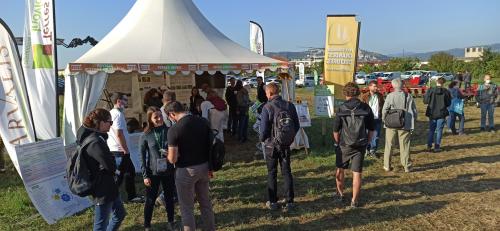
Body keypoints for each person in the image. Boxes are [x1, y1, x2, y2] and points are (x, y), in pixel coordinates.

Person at [166, 101, 215, 231]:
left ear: (172, 114)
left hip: (186, 171)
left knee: (187, 208)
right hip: (204, 166)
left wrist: (168, 155)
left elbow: (172, 159)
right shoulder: (202, 121)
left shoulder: (174, 129)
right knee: (205, 203)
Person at [77, 108, 126, 231]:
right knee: (100, 226)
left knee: (119, 214)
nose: (111, 125)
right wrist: (115, 162)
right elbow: (110, 166)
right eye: (110, 122)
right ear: (101, 122)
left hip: (109, 185)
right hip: (102, 189)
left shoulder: (98, 138)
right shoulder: (95, 142)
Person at [333, 82, 374, 208]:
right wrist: (367, 142)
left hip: (344, 144)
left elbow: (335, 130)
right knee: (357, 173)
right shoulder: (366, 108)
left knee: (340, 170)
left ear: (345, 93)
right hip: (360, 144)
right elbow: (371, 129)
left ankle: (340, 195)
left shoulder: (341, 108)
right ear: (358, 93)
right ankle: (354, 201)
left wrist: (337, 142)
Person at [259, 83, 299, 211]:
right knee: (287, 172)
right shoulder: (289, 105)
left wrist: (263, 140)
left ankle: (272, 202)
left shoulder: (267, 107)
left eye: (266, 93)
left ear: (269, 93)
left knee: (272, 173)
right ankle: (290, 201)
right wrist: (289, 138)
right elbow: (296, 125)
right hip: (286, 144)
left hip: (271, 145)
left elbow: (264, 129)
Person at [140, 107, 176, 230]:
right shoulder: (146, 135)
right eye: (156, 117)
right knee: (150, 200)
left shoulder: (169, 131)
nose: (159, 119)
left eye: (160, 116)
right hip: (153, 173)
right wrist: (145, 175)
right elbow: (142, 156)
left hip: (168, 171)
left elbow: (177, 148)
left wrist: (170, 153)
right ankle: (147, 226)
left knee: (169, 198)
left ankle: (171, 222)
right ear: (150, 119)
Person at [107, 92, 143, 203]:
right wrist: (125, 149)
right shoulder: (117, 114)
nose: (126, 103)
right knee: (119, 175)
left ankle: (131, 196)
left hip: (116, 149)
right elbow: (119, 133)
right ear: (118, 101)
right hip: (119, 150)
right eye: (125, 100)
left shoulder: (112, 113)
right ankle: (110, 198)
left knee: (129, 172)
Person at [382, 78, 418, 172]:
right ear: (403, 85)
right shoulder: (408, 96)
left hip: (391, 123)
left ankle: (387, 165)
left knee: (389, 144)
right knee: (405, 145)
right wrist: (414, 121)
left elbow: (384, 110)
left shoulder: (390, 96)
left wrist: (384, 120)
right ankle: (407, 166)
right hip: (404, 123)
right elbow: (414, 111)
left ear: (393, 86)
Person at [424, 77, 451, 152]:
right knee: (439, 130)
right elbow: (449, 103)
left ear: (437, 82)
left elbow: (425, 101)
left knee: (432, 130)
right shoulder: (446, 91)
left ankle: (429, 146)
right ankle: (436, 146)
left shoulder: (431, 90)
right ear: (444, 83)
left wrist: (427, 93)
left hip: (432, 112)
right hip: (441, 112)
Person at [360, 80, 384, 158]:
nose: (376, 88)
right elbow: (361, 108)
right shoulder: (364, 96)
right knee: (367, 135)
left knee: (376, 136)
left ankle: (373, 151)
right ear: (370, 87)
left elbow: (383, 106)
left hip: (377, 118)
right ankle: (367, 150)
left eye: (376, 86)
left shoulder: (380, 96)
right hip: (368, 119)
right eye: (374, 86)